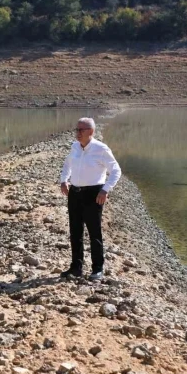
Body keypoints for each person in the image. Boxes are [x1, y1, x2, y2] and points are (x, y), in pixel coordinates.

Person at [59, 117, 122, 280]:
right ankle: (76, 267)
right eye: (77, 129)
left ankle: (97, 269)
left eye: (81, 130)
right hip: (74, 192)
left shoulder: (101, 149)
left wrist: (105, 190)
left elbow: (116, 170)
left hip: (93, 194)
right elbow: (67, 165)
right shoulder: (74, 147)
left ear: (91, 132)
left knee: (94, 233)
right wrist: (64, 180)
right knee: (75, 231)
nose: (78, 133)